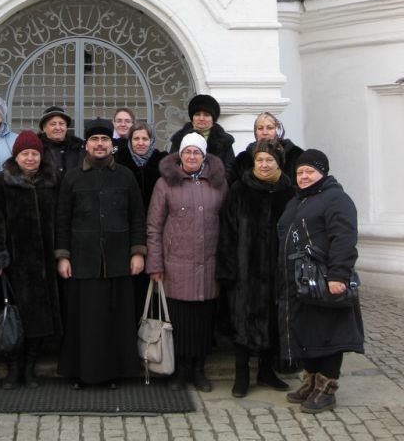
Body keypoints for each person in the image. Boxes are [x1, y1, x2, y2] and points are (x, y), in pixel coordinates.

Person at [56, 118, 146, 388]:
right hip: (83, 261)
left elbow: (137, 216)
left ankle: (112, 373)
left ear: (112, 145)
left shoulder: (125, 176)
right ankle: (81, 373)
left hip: (118, 260)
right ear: (86, 144)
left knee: (114, 321)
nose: (99, 144)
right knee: (84, 322)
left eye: (104, 139)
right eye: (94, 139)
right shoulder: (72, 177)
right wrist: (63, 256)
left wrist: (138, 252)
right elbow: (62, 219)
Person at [277, 149, 364, 413]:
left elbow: (344, 237)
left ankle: (327, 389)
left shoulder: (336, 198)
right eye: (300, 172)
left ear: (323, 173)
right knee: (309, 330)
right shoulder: (299, 199)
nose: (304, 176)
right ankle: (311, 381)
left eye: (310, 171)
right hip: (302, 281)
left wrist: (338, 275)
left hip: (325, 278)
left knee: (329, 332)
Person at [147, 133, 227, 390]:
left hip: (209, 265)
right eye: (187, 152)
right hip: (176, 266)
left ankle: (199, 369)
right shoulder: (165, 184)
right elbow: (154, 227)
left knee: (203, 321)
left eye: (197, 152)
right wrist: (155, 265)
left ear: (205, 156)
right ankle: (180, 370)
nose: (192, 157)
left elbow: (228, 222)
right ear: (180, 155)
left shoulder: (218, 184)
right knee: (180, 322)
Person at [216, 139, 294, 398]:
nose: (263, 164)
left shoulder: (288, 193)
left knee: (272, 321)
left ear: (278, 163)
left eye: (269, 160)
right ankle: (241, 375)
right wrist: (227, 269)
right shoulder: (240, 190)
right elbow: (227, 230)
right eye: (259, 160)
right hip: (244, 271)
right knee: (242, 322)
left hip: (277, 270)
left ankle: (267, 371)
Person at [0, 130, 62, 389]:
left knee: (39, 320)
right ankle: (13, 369)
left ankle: (30, 368)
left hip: (45, 262)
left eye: (34, 154)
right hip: (15, 263)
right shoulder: (1, 182)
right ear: (16, 156)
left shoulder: (52, 181)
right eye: (25, 154)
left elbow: (60, 220)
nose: (30, 158)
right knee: (14, 316)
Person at [115, 121, 167, 320]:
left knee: (153, 281)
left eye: (145, 138)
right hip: (127, 231)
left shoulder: (161, 163)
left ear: (151, 140)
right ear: (130, 141)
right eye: (136, 138)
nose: (140, 143)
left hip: (156, 231)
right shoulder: (119, 162)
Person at [169, 94, 235, 182]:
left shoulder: (224, 141)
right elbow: (172, 166)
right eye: (197, 114)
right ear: (192, 117)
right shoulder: (179, 139)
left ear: (213, 118)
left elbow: (229, 169)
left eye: (206, 115)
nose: (201, 118)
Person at [236, 112, 302, 185]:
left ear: (278, 130)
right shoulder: (244, 159)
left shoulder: (295, 155)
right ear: (256, 132)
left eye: (270, 128)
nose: (265, 132)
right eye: (260, 128)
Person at [37, 105, 84, 185]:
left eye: (61, 124)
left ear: (66, 127)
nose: (58, 128)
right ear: (44, 128)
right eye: (53, 124)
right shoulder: (36, 147)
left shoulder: (78, 147)